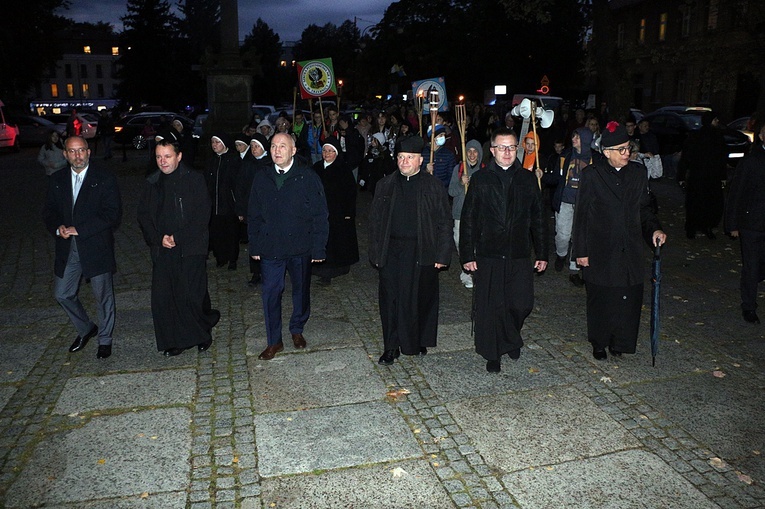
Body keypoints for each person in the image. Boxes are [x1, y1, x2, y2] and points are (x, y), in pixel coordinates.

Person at [573, 121, 666, 360]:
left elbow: (644, 210)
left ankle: (620, 342)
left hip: (629, 249)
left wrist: (654, 230)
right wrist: (581, 251)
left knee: (627, 300)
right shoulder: (592, 176)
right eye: (621, 149)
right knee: (601, 299)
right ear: (606, 152)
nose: (627, 154)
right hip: (600, 249)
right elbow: (581, 216)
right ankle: (599, 342)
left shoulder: (637, 173)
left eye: (629, 148)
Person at [459, 128, 548, 373]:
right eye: (502, 147)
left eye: (511, 147)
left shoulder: (527, 179)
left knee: (521, 303)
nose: (507, 152)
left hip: (519, 253)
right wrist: (467, 255)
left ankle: (510, 335)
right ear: (493, 150)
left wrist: (542, 253)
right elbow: (469, 219)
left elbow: (538, 218)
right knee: (492, 305)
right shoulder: (481, 179)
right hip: (489, 253)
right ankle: (493, 352)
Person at [369, 135, 452, 365]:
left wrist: (442, 254)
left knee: (417, 298)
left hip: (421, 248)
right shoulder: (384, 185)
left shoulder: (433, 186)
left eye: (409, 158)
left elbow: (444, 222)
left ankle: (415, 340)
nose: (404, 162)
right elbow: (375, 221)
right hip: (391, 249)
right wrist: (376, 252)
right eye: (400, 157)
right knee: (390, 299)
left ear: (420, 160)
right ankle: (391, 346)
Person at [248, 133, 329, 360]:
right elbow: (253, 213)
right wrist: (254, 244)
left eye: (283, 146)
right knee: (271, 293)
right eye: (273, 146)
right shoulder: (262, 177)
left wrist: (318, 247)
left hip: (299, 246)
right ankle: (274, 340)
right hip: (271, 247)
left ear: (293, 151)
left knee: (301, 291)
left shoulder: (307, 177)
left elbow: (320, 214)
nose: (277, 150)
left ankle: (297, 328)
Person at [137, 139, 220, 356]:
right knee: (165, 297)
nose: (162, 161)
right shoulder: (152, 182)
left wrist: (178, 237)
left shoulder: (194, 180)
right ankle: (175, 340)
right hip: (162, 248)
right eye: (158, 157)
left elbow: (202, 216)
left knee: (191, 295)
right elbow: (144, 217)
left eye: (167, 156)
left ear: (179, 156)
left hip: (190, 247)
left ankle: (201, 334)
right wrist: (157, 239)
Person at [43, 136, 122, 359]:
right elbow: (49, 211)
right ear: (65, 154)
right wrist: (58, 228)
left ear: (88, 152)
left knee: (102, 295)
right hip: (68, 247)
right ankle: (86, 328)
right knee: (62, 293)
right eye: (72, 151)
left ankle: (105, 340)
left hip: (95, 245)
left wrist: (81, 228)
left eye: (81, 151)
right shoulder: (57, 179)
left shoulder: (104, 178)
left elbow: (112, 214)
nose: (77, 156)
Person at [542, 127, 594, 287]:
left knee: (579, 237)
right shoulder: (565, 156)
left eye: (577, 137)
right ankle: (561, 254)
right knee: (563, 236)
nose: (573, 139)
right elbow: (557, 178)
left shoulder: (596, 159)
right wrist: (543, 176)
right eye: (574, 136)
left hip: (584, 204)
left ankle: (574, 270)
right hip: (565, 201)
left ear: (585, 139)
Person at [725, 123, 765, 324]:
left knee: (759, 267)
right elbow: (737, 192)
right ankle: (749, 306)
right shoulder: (751, 161)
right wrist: (732, 223)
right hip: (752, 223)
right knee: (751, 266)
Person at [312, 137, 359, 285]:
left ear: (336, 153)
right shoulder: (316, 167)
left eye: (330, 151)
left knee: (336, 242)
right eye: (325, 150)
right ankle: (319, 268)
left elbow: (350, 193)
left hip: (337, 212)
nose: (326, 154)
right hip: (320, 211)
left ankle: (333, 270)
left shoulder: (343, 169)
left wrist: (348, 213)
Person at [677, 111, 727, 239]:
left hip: (698, 176)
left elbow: (686, 157)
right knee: (709, 204)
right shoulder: (717, 137)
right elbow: (722, 159)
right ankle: (706, 227)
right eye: (715, 120)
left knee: (696, 203)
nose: (717, 122)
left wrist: (681, 176)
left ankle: (693, 228)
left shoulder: (696, 136)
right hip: (710, 177)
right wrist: (723, 177)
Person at [449, 139, 484, 289]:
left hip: (476, 215)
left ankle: (471, 273)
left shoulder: (484, 171)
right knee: (459, 242)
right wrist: (460, 183)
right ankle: (466, 267)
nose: (472, 154)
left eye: (475, 151)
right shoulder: (459, 168)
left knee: (475, 244)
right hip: (459, 214)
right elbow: (451, 191)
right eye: (469, 151)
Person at [238, 134, 270, 287]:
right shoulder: (247, 164)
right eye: (252, 146)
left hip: (268, 210)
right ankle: (256, 272)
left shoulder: (269, 163)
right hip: (252, 209)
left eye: (257, 146)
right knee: (254, 241)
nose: (254, 149)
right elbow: (241, 188)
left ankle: (268, 272)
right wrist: (241, 210)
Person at [205, 133, 241, 270]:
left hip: (229, 204)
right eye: (213, 142)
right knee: (216, 233)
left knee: (231, 233)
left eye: (217, 142)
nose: (214, 145)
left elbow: (237, 183)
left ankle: (232, 259)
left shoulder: (233, 160)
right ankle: (221, 257)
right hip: (214, 204)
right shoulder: (211, 161)